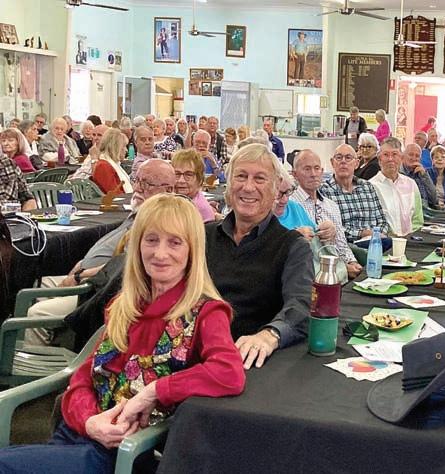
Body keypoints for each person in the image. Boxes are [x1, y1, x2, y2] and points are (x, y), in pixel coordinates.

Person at [0, 193, 246, 473]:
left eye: (175, 242)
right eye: (151, 240)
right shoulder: (124, 306)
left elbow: (229, 372)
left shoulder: (206, 312)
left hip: (122, 454)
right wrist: (90, 422)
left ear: (193, 250)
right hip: (79, 435)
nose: (160, 253)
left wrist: (154, 391)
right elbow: (83, 378)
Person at [25, 160, 176, 327]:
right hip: (88, 278)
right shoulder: (140, 211)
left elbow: (122, 266)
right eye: (137, 180)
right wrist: (81, 265)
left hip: (99, 289)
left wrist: (80, 275)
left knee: (36, 313)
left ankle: (47, 340)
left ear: (168, 190)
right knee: (37, 284)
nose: (137, 188)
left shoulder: (157, 222)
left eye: (147, 184)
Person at [206, 143, 313, 368]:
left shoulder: (292, 246)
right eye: (241, 176)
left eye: (260, 179)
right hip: (195, 352)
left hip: (249, 360)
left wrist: (270, 335)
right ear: (229, 184)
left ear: (275, 189)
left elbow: (301, 306)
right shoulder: (202, 235)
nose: (248, 187)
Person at [291, 149, 363, 279]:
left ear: (322, 172)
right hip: (310, 274)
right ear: (295, 174)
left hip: (339, 271)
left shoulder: (331, 206)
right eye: (307, 169)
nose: (313, 174)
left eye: (317, 168)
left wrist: (352, 262)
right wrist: (343, 268)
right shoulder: (289, 205)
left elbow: (342, 243)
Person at [321, 144, 389, 242]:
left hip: (376, 242)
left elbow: (382, 221)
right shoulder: (324, 190)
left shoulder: (368, 187)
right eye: (339, 158)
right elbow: (330, 229)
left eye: (348, 158)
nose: (343, 161)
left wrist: (376, 236)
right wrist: (361, 234)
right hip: (345, 244)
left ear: (357, 163)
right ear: (332, 162)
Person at [369, 136, 424, 237]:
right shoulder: (370, 187)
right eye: (386, 155)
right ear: (379, 160)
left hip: (410, 241)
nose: (390, 159)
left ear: (401, 158)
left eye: (394, 154)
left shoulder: (411, 184)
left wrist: (410, 239)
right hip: (384, 241)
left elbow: (418, 221)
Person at [172, 149, 217, 223]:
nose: (181, 180)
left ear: (200, 179)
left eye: (188, 175)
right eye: (177, 174)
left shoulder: (198, 208)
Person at [90, 129, 133, 195]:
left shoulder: (112, 164)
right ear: (116, 148)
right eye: (124, 146)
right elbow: (115, 194)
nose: (126, 150)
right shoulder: (103, 166)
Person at [401, 143, 438, 209]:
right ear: (403, 156)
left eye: (417, 156)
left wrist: (425, 176)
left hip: (427, 210)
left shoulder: (422, 173)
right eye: (411, 154)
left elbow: (434, 199)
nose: (414, 158)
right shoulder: (398, 174)